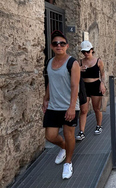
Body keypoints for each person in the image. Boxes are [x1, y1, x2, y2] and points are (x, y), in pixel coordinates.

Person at [43, 30, 80, 180]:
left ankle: (68, 162)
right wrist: (45, 98)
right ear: (51, 46)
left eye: (62, 43)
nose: (59, 46)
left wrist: (71, 107)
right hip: (53, 105)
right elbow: (51, 82)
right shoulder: (50, 62)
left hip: (68, 106)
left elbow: (74, 86)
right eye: (55, 43)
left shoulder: (73, 63)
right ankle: (64, 148)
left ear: (67, 46)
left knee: (68, 134)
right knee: (50, 136)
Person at [76, 40, 106, 139]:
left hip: (96, 85)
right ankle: (81, 132)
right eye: (84, 52)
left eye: (88, 51)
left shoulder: (98, 61)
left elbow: (102, 74)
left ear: (92, 50)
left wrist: (102, 83)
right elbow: (73, 73)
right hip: (84, 87)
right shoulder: (79, 62)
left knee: (96, 108)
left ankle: (99, 125)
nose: (86, 54)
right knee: (83, 110)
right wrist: (78, 69)